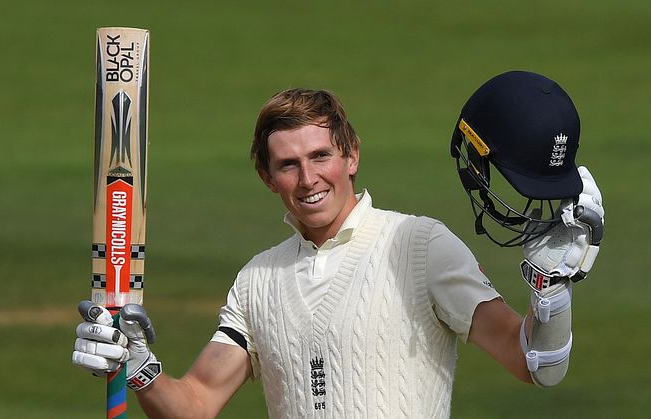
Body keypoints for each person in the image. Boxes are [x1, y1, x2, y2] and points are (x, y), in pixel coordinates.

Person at [73, 72, 605, 418]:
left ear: (351, 156)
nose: (309, 179)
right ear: (267, 176)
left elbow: (537, 362)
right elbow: (195, 404)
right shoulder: (257, 280)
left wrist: (551, 292)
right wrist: (137, 364)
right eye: (289, 164)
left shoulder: (419, 245)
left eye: (321, 156)